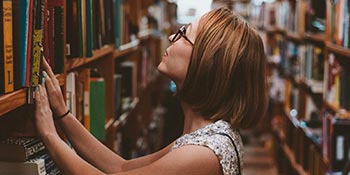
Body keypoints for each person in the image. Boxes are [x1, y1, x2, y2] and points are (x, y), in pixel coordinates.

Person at [35, 7, 267, 175]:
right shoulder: (206, 135)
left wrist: (49, 135)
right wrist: (62, 114)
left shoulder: (203, 153)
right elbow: (120, 167)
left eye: (183, 34)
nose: (170, 37)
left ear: (206, 62)